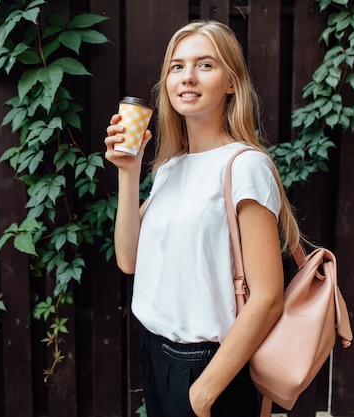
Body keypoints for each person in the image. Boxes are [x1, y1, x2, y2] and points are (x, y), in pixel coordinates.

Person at [104, 20, 302, 417]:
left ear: (231, 83)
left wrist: (203, 392)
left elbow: (267, 298)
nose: (187, 77)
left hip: (211, 366)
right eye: (177, 67)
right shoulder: (171, 168)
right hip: (155, 354)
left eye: (205, 65)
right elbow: (129, 260)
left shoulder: (245, 166)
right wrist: (128, 172)